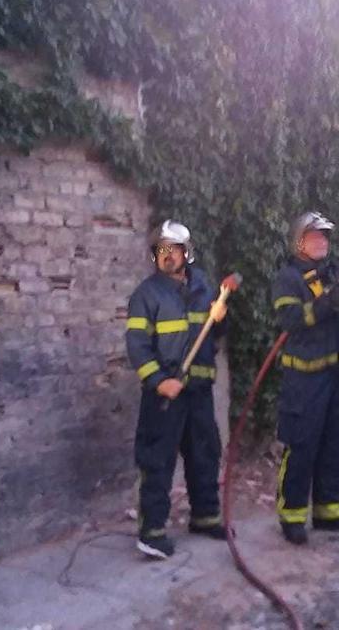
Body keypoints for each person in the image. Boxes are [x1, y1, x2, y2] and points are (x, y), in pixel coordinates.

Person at [270, 211, 339, 545]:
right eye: (315, 236)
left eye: (325, 237)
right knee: (302, 443)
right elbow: (289, 320)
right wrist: (327, 303)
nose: (322, 242)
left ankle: (329, 511)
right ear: (299, 241)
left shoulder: (336, 268)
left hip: (336, 375)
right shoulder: (288, 278)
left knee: (336, 440)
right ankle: (292, 516)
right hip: (305, 379)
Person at [125, 220, 228, 560]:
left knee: (205, 454)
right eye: (161, 251)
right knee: (157, 461)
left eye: (174, 250)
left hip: (198, 390)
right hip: (164, 394)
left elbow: (214, 335)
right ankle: (152, 533)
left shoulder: (204, 288)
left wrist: (221, 315)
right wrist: (158, 381)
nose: (168, 257)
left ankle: (205, 516)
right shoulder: (146, 295)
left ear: (187, 253)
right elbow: (137, 347)